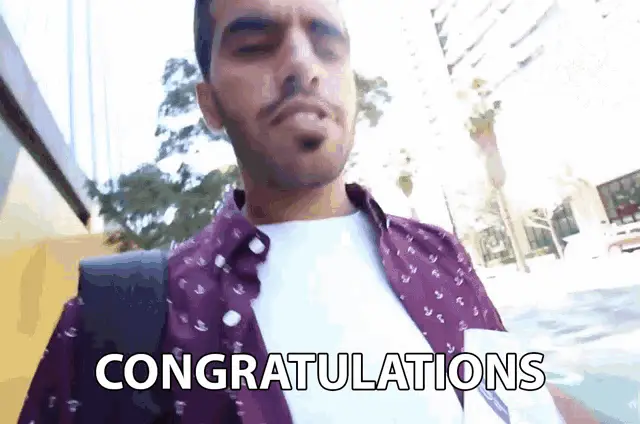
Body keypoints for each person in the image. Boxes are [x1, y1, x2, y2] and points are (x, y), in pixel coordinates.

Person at [19, 0, 598, 423]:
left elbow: (524, 402)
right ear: (209, 104)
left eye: (327, 43)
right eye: (254, 44)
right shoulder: (117, 321)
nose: (302, 64)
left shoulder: (439, 255)